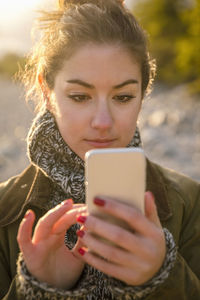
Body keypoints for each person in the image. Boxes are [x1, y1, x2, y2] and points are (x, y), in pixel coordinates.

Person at [0, 0, 199, 299]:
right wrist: (36, 288)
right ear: (47, 91)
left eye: (122, 97)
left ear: (143, 94)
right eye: (80, 96)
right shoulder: (4, 209)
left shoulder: (190, 202)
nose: (103, 122)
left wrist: (162, 274)